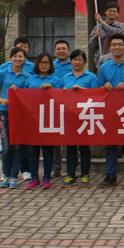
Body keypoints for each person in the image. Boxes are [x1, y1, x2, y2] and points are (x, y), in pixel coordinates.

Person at [97, 34, 124, 190]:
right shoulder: (103, 67)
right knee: (110, 144)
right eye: (114, 44)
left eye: (120, 44)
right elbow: (99, 88)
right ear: (110, 48)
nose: (117, 47)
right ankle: (110, 175)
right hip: (110, 111)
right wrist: (105, 87)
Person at [19, 52, 61, 190]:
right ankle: (34, 178)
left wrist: (51, 90)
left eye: (46, 62)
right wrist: (14, 90)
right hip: (32, 118)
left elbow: (61, 99)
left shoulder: (55, 80)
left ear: (50, 65)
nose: (44, 65)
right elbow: (22, 97)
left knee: (47, 149)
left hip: (48, 118)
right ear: (37, 64)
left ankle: (46, 177)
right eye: (41, 62)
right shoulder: (30, 79)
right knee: (32, 150)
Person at [60, 49, 98, 188]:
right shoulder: (65, 78)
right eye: (74, 60)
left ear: (84, 62)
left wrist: (81, 89)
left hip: (85, 116)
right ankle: (70, 175)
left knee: (84, 147)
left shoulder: (91, 77)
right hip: (69, 116)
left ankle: (84, 174)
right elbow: (58, 96)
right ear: (70, 62)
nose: (77, 62)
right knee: (70, 147)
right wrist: (63, 92)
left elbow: (96, 95)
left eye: (79, 60)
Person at [0, 47, 30, 189]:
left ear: (24, 58)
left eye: (20, 56)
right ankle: (5, 175)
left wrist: (19, 91)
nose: (17, 59)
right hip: (4, 112)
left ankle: (14, 176)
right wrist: (1, 100)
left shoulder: (27, 75)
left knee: (18, 146)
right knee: (6, 146)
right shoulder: (3, 73)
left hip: (20, 114)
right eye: (15, 56)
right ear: (11, 58)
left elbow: (29, 94)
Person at [51, 39, 72, 177]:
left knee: (72, 137)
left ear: (68, 51)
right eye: (58, 49)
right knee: (55, 139)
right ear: (55, 52)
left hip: (71, 106)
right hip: (54, 105)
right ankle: (56, 168)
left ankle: (73, 168)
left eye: (64, 49)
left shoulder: (74, 64)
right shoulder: (51, 66)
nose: (61, 51)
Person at [89, 1, 124, 68]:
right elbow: (91, 45)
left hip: (116, 60)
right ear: (105, 12)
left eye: (114, 11)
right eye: (110, 11)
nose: (112, 13)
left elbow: (114, 34)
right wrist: (95, 36)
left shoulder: (121, 26)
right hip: (101, 60)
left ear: (118, 14)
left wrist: (101, 21)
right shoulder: (97, 27)